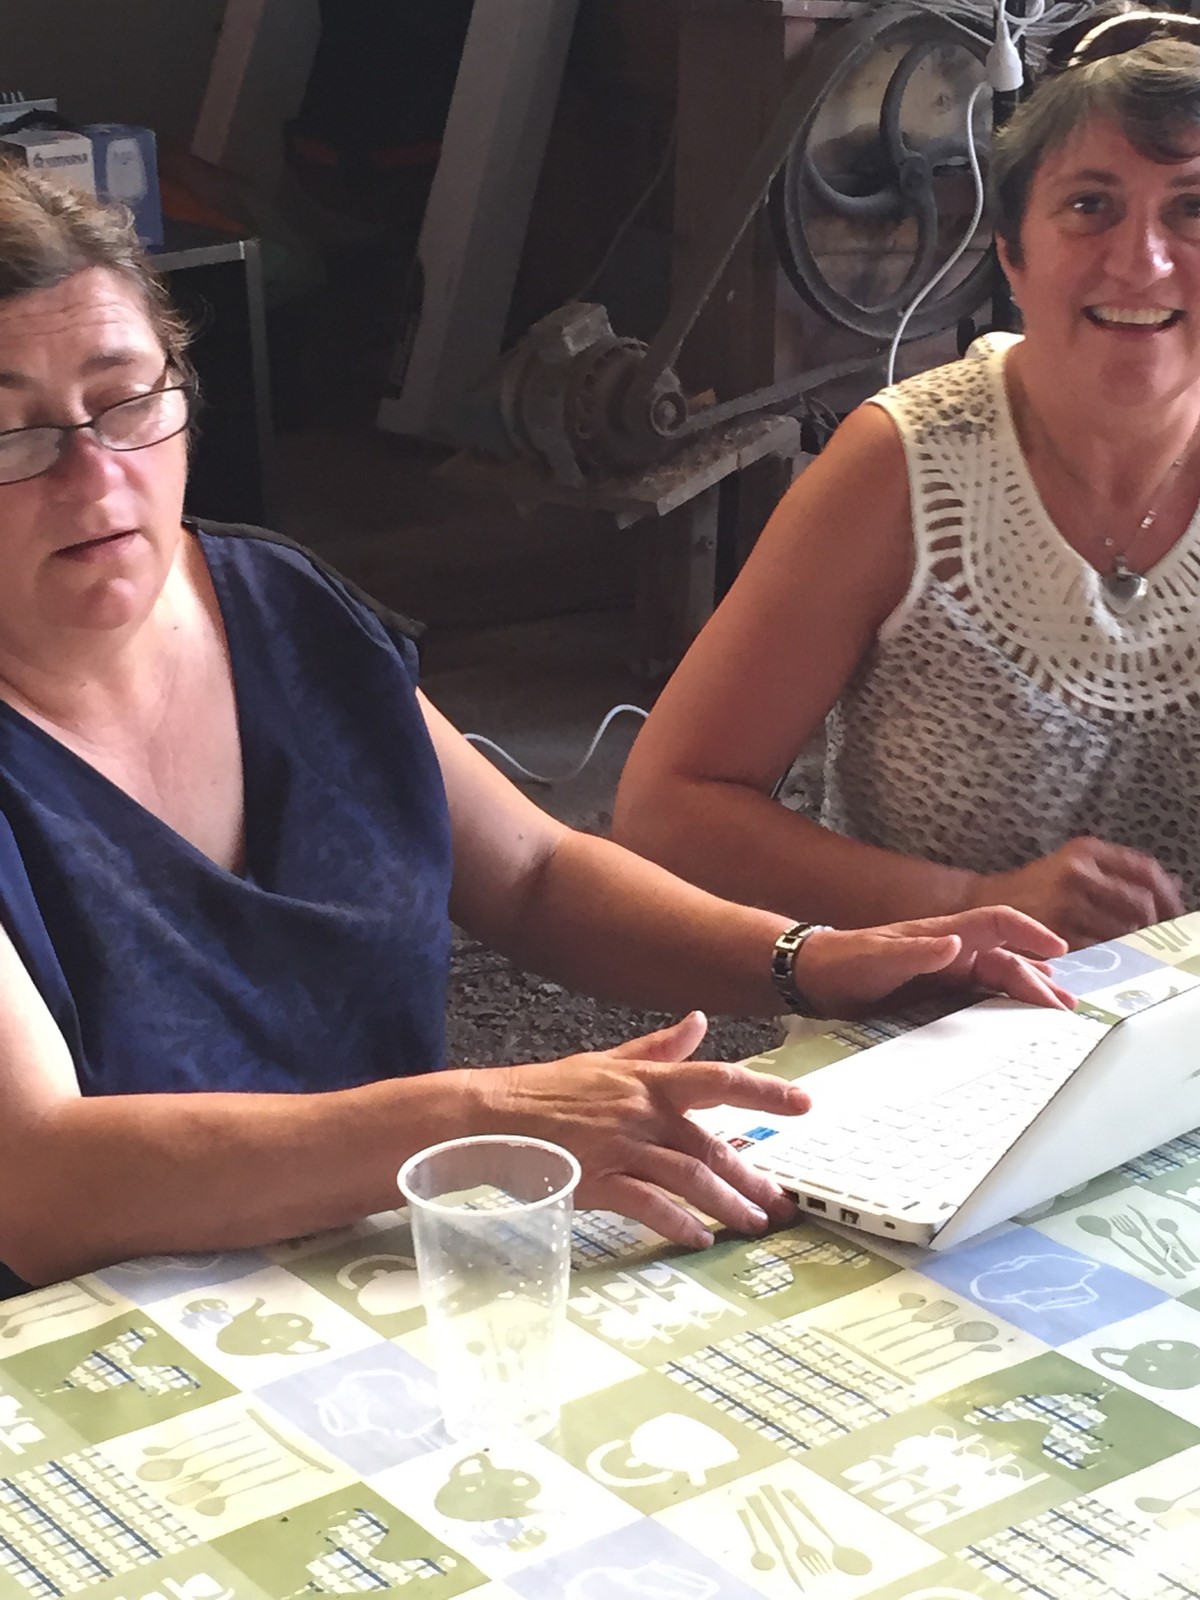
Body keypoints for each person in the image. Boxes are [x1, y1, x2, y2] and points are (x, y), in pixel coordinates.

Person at [0, 164, 1070, 1297]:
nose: (95, 473)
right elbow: (42, 1181)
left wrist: (810, 961)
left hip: (378, 1264)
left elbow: (534, 874)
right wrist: (490, 1115)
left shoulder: (279, 607)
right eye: (10, 431)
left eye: (126, 399)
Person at [614, 14, 1200, 955]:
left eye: (1193, 208)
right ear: (1012, 254)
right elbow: (667, 809)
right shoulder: (907, 465)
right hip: (935, 1017)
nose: (1143, 260)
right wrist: (971, 903)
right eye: (1091, 205)